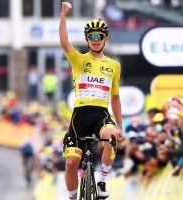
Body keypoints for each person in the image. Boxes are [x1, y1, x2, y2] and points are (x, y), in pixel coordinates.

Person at [59, 2, 124, 199]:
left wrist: (120, 126)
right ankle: (72, 196)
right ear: (87, 39)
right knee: (71, 164)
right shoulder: (79, 59)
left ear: (105, 39)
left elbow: (115, 97)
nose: (96, 40)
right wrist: (63, 15)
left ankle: (102, 179)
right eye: (92, 36)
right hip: (80, 115)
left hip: (101, 115)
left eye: (99, 36)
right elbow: (64, 42)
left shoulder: (114, 65)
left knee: (111, 136)